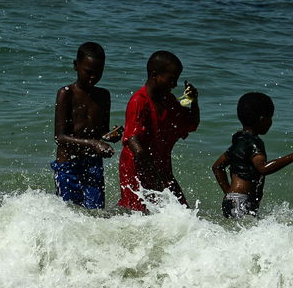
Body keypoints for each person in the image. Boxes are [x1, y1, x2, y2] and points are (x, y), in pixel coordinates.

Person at [118, 50, 199, 211]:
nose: (174, 85)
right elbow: (133, 140)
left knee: (183, 212)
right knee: (138, 214)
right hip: (136, 168)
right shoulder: (139, 101)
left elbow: (191, 124)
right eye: (171, 79)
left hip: (162, 168)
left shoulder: (169, 101)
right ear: (155, 75)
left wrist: (194, 102)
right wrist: (155, 178)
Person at [51, 41, 123, 208]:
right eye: (89, 72)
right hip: (68, 165)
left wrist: (111, 136)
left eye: (99, 73)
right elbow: (59, 137)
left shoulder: (104, 96)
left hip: (93, 165)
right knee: (67, 214)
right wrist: (93, 143)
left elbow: (101, 133)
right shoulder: (66, 94)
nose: (93, 77)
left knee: (96, 214)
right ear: (76, 66)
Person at [211, 92, 293, 218]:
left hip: (231, 201)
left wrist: (228, 193)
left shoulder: (238, 142)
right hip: (243, 202)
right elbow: (263, 168)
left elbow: (217, 167)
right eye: (271, 117)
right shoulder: (254, 142)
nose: (271, 122)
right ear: (262, 119)